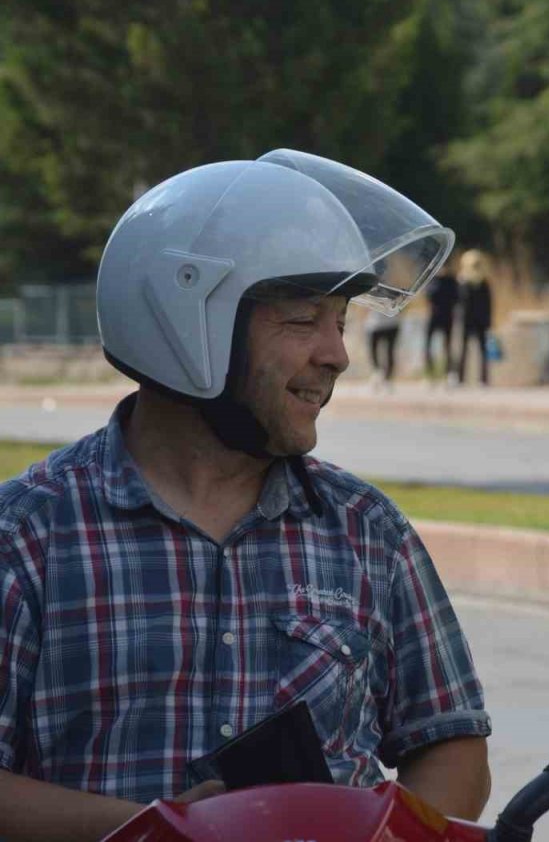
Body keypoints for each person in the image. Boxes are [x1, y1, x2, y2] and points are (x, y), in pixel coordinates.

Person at [0, 149, 492, 841]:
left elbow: (451, 743)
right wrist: (166, 830)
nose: (337, 354)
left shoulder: (367, 530)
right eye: (302, 320)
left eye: (341, 322)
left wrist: (395, 832)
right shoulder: (28, 535)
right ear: (185, 321)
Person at [456, 249, 494, 386]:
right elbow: (459, 302)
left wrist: (489, 321)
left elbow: (488, 304)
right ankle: (460, 378)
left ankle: (483, 379)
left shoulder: (484, 282)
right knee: (463, 349)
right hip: (467, 320)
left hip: (480, 320)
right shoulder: (462, 281)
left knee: (483, 350)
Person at [424, 258, 460, 382]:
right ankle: (430, 373)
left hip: (448, 316)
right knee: (428, 345)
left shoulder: (452, 281)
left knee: (448, 346)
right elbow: (428, 296)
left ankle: (449, 372)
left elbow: (457, 298)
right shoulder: (433, 279)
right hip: (434, 316)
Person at [365, 302, 402, 393]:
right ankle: (377, 373)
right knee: (373, 351)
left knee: (390, 352)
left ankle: (387, 379)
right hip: (374, 323)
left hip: (392, 323)